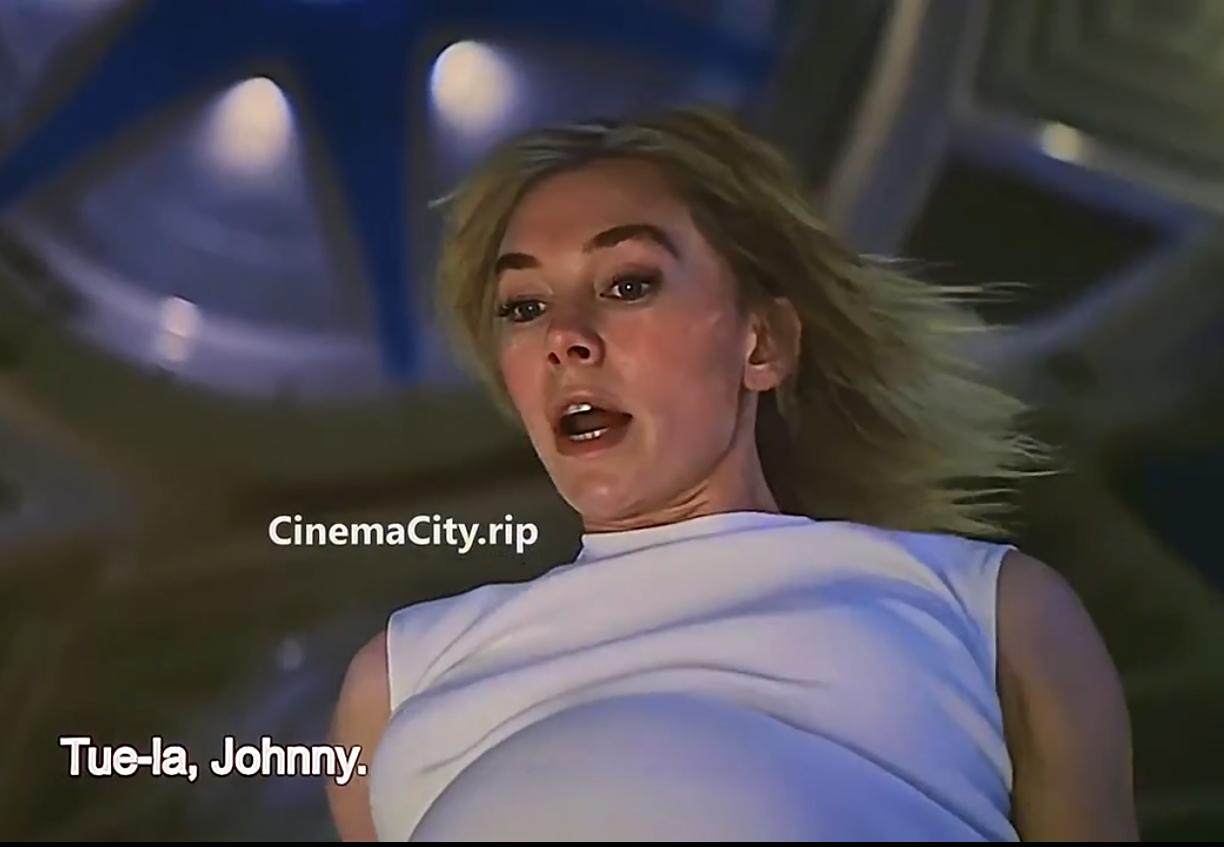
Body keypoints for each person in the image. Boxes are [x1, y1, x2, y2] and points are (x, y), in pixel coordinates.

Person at [326, 107, 1137, 841]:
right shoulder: (397, 681)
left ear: (762, 342)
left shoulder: (987, 611)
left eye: (629, 284)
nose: (564, 337)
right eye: (524, 306)